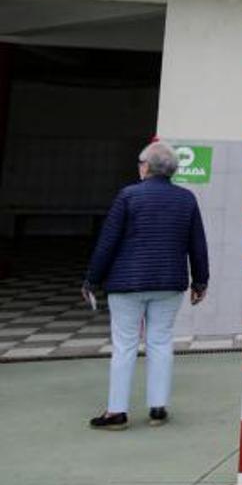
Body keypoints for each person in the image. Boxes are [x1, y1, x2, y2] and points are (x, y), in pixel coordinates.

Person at [84, 141, 209, 430]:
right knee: (161, 341)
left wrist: (92, 279)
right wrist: (200, 281)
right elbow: (197, 245)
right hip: (169, 283)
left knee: (125, 344)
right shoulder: (186, 199)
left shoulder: (128, 196)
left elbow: (108, 242)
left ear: (146, 167)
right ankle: (157, 408)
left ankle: (116, 411)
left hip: (127, 283)